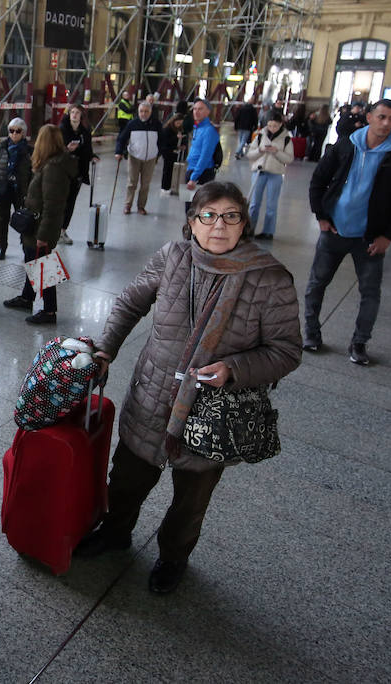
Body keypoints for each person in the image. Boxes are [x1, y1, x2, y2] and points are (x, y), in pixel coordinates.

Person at [75, 181, 301, 594]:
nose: (219, 225)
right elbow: (130, 302)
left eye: (231, 215)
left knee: (191, 500)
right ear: (192, 223)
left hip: (211, 411)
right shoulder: (173, 257)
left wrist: (234, 368)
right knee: (126, 478)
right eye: (208, 215)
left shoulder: (268, 278)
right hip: (153, 393)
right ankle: (115, 533)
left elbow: (287, 350)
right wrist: (106, 348)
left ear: (244, 223)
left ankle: (173, 558)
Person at [302, 98, 391, 365]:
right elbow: (318, 180)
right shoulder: (346, 145)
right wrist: (321, 216)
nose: (387, 123)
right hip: (334, 231)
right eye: (382, 117)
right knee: (316, 284)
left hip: (369, 237)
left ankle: (359, 342)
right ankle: (311, 333)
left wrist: (388, 235)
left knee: (370, 292)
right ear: (369, 117)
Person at [3, 125, 76, 326]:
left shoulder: (54, 168)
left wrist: (42, 236)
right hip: (36, 226)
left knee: (44, 267)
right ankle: (27, 298)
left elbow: (52, 206)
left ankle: (50, 311)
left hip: (40, 228)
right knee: (32, 261)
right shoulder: (51, 164)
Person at [0, 118, 32, 260]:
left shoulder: (28, 151)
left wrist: (31, 189)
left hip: (21, 191)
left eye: (17, 131)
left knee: (24, 220)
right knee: (2, 219)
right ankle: (2, 246)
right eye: (11, 130)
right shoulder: (2, 146)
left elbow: (34, 171)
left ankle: (26, 246)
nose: (14, 134)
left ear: (23, 133)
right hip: (3, 189)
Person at [245, 110, 290, 240]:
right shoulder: (260, 135)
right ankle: (250, 229)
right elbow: (250, 154)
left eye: (275, 126)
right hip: (259, 172)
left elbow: (289, 159)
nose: (272, 128)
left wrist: (276, 152)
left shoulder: (286, 139)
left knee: (272, 204)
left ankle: (268, 231)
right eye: (270, 125)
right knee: (254, 203)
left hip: (275, 174)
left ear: (281, 124)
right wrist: (260, 150)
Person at [59, 104, 96, 245]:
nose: (74, 115)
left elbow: (88, 148)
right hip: (63, 171)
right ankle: (54, 230)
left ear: (81, 115)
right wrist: (66, 149)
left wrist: (92, 156)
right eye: (72, 112)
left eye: (77, 113)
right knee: (60, 201)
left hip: (78, 172)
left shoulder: (85, 131)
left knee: (71, 202)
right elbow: (55, 149)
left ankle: (63, 230)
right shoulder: (62, 130)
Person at [116, 100, 161, 214]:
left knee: (145, 184)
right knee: (132, 182)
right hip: (134, 157)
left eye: (146, 111)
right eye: (141, 111)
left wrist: (158, 154)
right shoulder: (132, 124)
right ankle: (128, 204)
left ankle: (141, 206)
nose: (143, 114)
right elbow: (121, 138)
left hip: (150, 158)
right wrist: (118, 152)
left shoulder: (156, 124)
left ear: (150, 112)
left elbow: (162, 140)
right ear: (138, 112)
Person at [183, 99, 219, 192]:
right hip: (192, 169)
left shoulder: (209, 131)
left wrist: (194, 177)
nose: (196, 112)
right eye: (194, 109)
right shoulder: (197, 128)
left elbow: (205, 156)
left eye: (200, 109)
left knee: (197, 205)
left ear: (208, 112)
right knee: (189, 204)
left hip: (201, 173)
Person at [158, 115, 183, 196]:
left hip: (174, 152)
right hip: (167, 151)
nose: (179, 124)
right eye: (177, 123)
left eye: (180, 123)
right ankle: (164, 187)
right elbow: (165, 142)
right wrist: (176, 138)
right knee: (167, 170)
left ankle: (170, 187)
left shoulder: (178, 129)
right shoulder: (167, 129)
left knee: (172, 170)